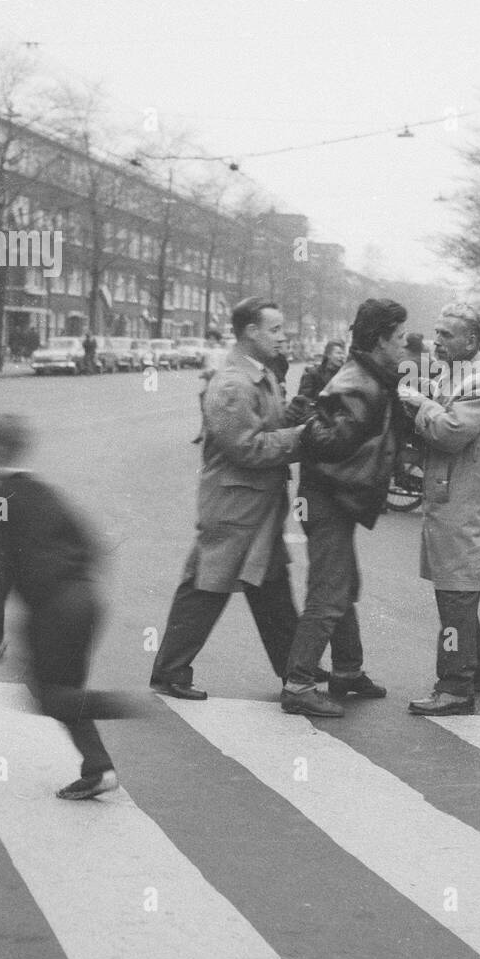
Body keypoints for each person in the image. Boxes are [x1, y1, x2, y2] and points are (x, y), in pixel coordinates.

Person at [0, 413, 137, 800]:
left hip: (52, 609)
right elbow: (91, 543)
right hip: (85, 600)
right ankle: (98, 767)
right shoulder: (47, 492)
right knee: (66, 689)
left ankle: (123, 705)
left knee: (48, 695)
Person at [149, 298, 305, 700]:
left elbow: (269, 425)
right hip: (236, 506)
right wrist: (303, 438)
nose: (282, 336)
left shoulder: (259, 375)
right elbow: (247, 447)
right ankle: (169, 671)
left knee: (271, 589)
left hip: (256, 506)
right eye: (275, 329)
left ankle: (294, 670)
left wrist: (298, 419)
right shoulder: (234, 383)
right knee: (206, 586)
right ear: (251, 332)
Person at [279, 300, 408, 718]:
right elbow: (331, 441)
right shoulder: (359, 383)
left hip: (335, 496)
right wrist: (310, 417)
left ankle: (347, 671)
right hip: (329, 498)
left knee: (343, 586)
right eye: (401, 337)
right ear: (381, 338)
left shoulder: (371, 377)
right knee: (329, 594)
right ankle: (298, 684)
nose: (405, 345)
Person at [400, 302, 480, 715]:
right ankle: (472, 671)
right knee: (459, 589)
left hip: (466, 503)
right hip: (460, 497)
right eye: (437, 332)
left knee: (455, 594)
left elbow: (452, 433)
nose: (437, 341)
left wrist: (418, 404)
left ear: (472, 339)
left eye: (447, 335)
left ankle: (454, 686)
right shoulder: (463, 371)